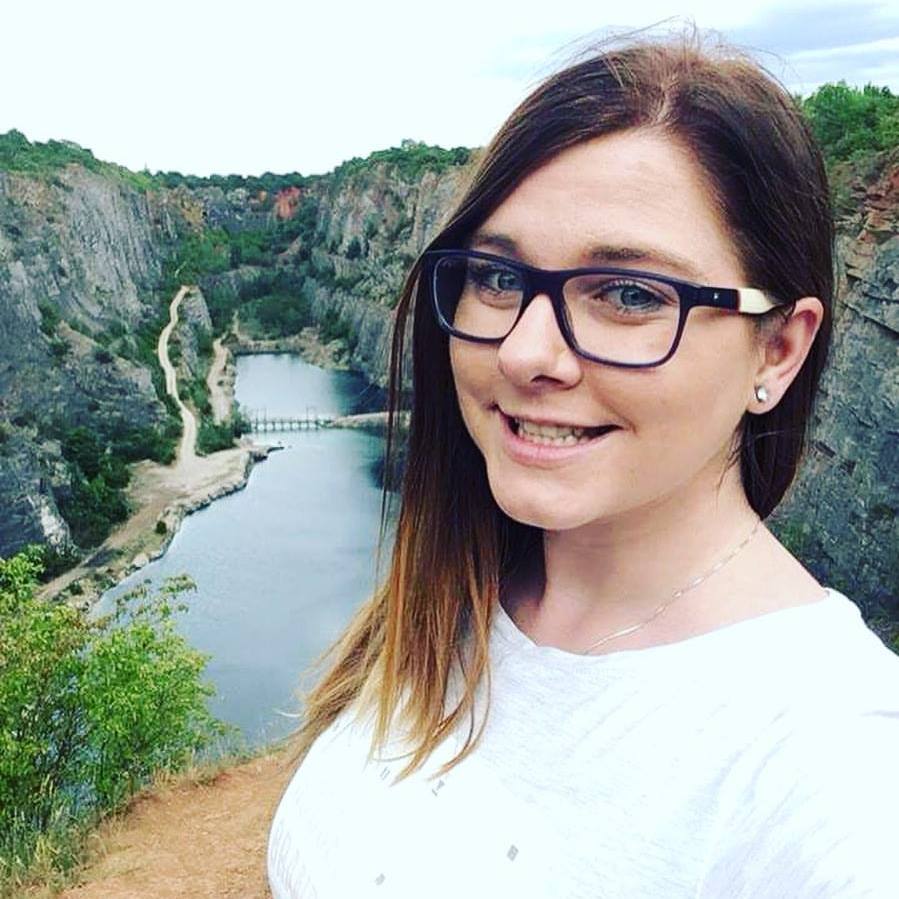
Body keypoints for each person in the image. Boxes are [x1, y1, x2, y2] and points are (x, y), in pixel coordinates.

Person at [268, 33, 899, 898]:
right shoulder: (451, 593)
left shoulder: (834, 765)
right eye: (496, 277)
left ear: (778, 349)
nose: (525, 351)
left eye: (630, 295)